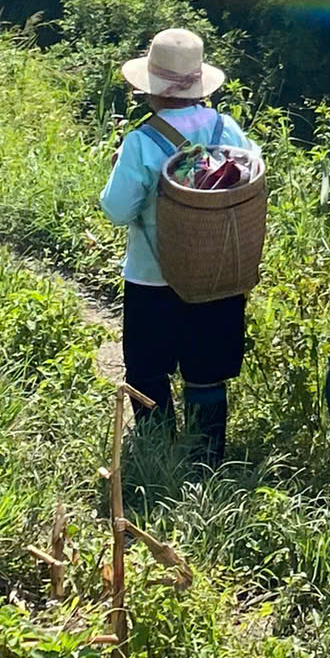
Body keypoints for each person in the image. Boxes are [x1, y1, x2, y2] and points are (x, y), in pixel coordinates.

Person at [101, 26, 258, 465]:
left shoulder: (141, 141)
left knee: (149, 371)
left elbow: (116, 209)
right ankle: (207, 458)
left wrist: (120, 169)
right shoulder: (229, 130)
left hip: (154, 278)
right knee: (208, 374)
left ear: (150, 90)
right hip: (220, 276)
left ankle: (156, 453)